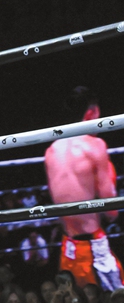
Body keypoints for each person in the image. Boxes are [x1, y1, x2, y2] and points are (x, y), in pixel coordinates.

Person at [45, 86, 123, 291]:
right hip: (92, 247)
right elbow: (111, 211)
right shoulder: (95, 146)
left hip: (67, 246)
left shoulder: (51, 150)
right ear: (92, 112)